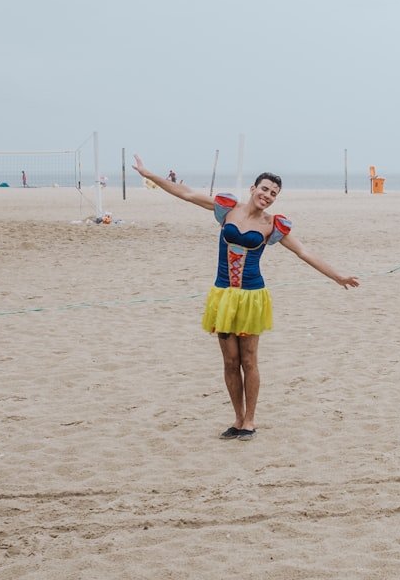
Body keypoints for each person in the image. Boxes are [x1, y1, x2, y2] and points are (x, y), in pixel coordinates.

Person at [132, 154, 359, 441]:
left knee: (248, 360)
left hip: (252, 297)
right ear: (253, 189)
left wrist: (337, 277)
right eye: (264, 189)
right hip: (223, 296)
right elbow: (186, 193)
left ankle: (250, 421)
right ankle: (237, 418)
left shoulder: (271, 226)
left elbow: (304, 252)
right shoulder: (227, 209)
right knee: (230, 361)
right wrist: (150, 174)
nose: (268, 195)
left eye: (273, 193)